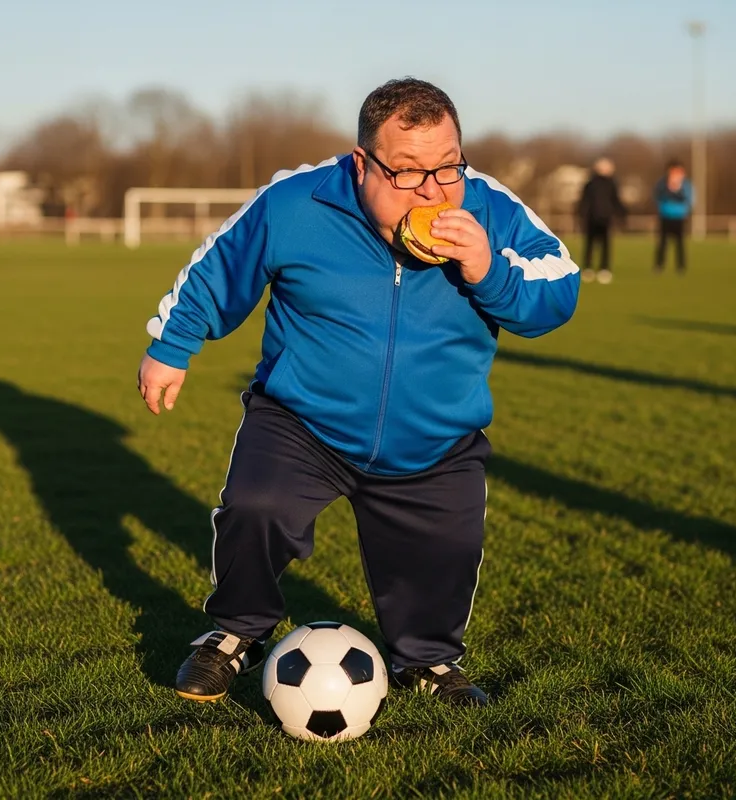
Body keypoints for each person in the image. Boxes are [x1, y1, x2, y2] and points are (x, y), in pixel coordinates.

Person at [137, 78, 580, 708]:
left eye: (447, 167)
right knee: (256, 508)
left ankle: (426, 661)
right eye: (406, 171)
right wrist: (170, 346)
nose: (432, 189)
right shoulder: (297, 201)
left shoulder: (492, 210)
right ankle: (235, 632)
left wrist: (488, 269)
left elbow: (559, 291)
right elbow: (218, 268)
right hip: (303, 421)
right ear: (361, 163)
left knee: (446, 554)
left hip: (438, 436)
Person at [576, 157, 626, 284]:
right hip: (592, 217)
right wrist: (581, 213)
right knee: (590, 244)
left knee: (605, 245)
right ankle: (588, 268)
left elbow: (615, 200)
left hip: (605, 217)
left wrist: (622, 213)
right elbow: (584, 200)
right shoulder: (590, 183)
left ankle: (604, 269)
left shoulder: (611, 183)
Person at [653, 159, 693, 273]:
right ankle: (659, 265)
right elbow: (657, 196)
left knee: (680, 243)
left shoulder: (686, 184)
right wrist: (668, 188)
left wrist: (678, 190)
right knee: (662, 242)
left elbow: (689, 199)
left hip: (679, 217)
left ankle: (681, 266)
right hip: (665, 216)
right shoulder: (662, 183)